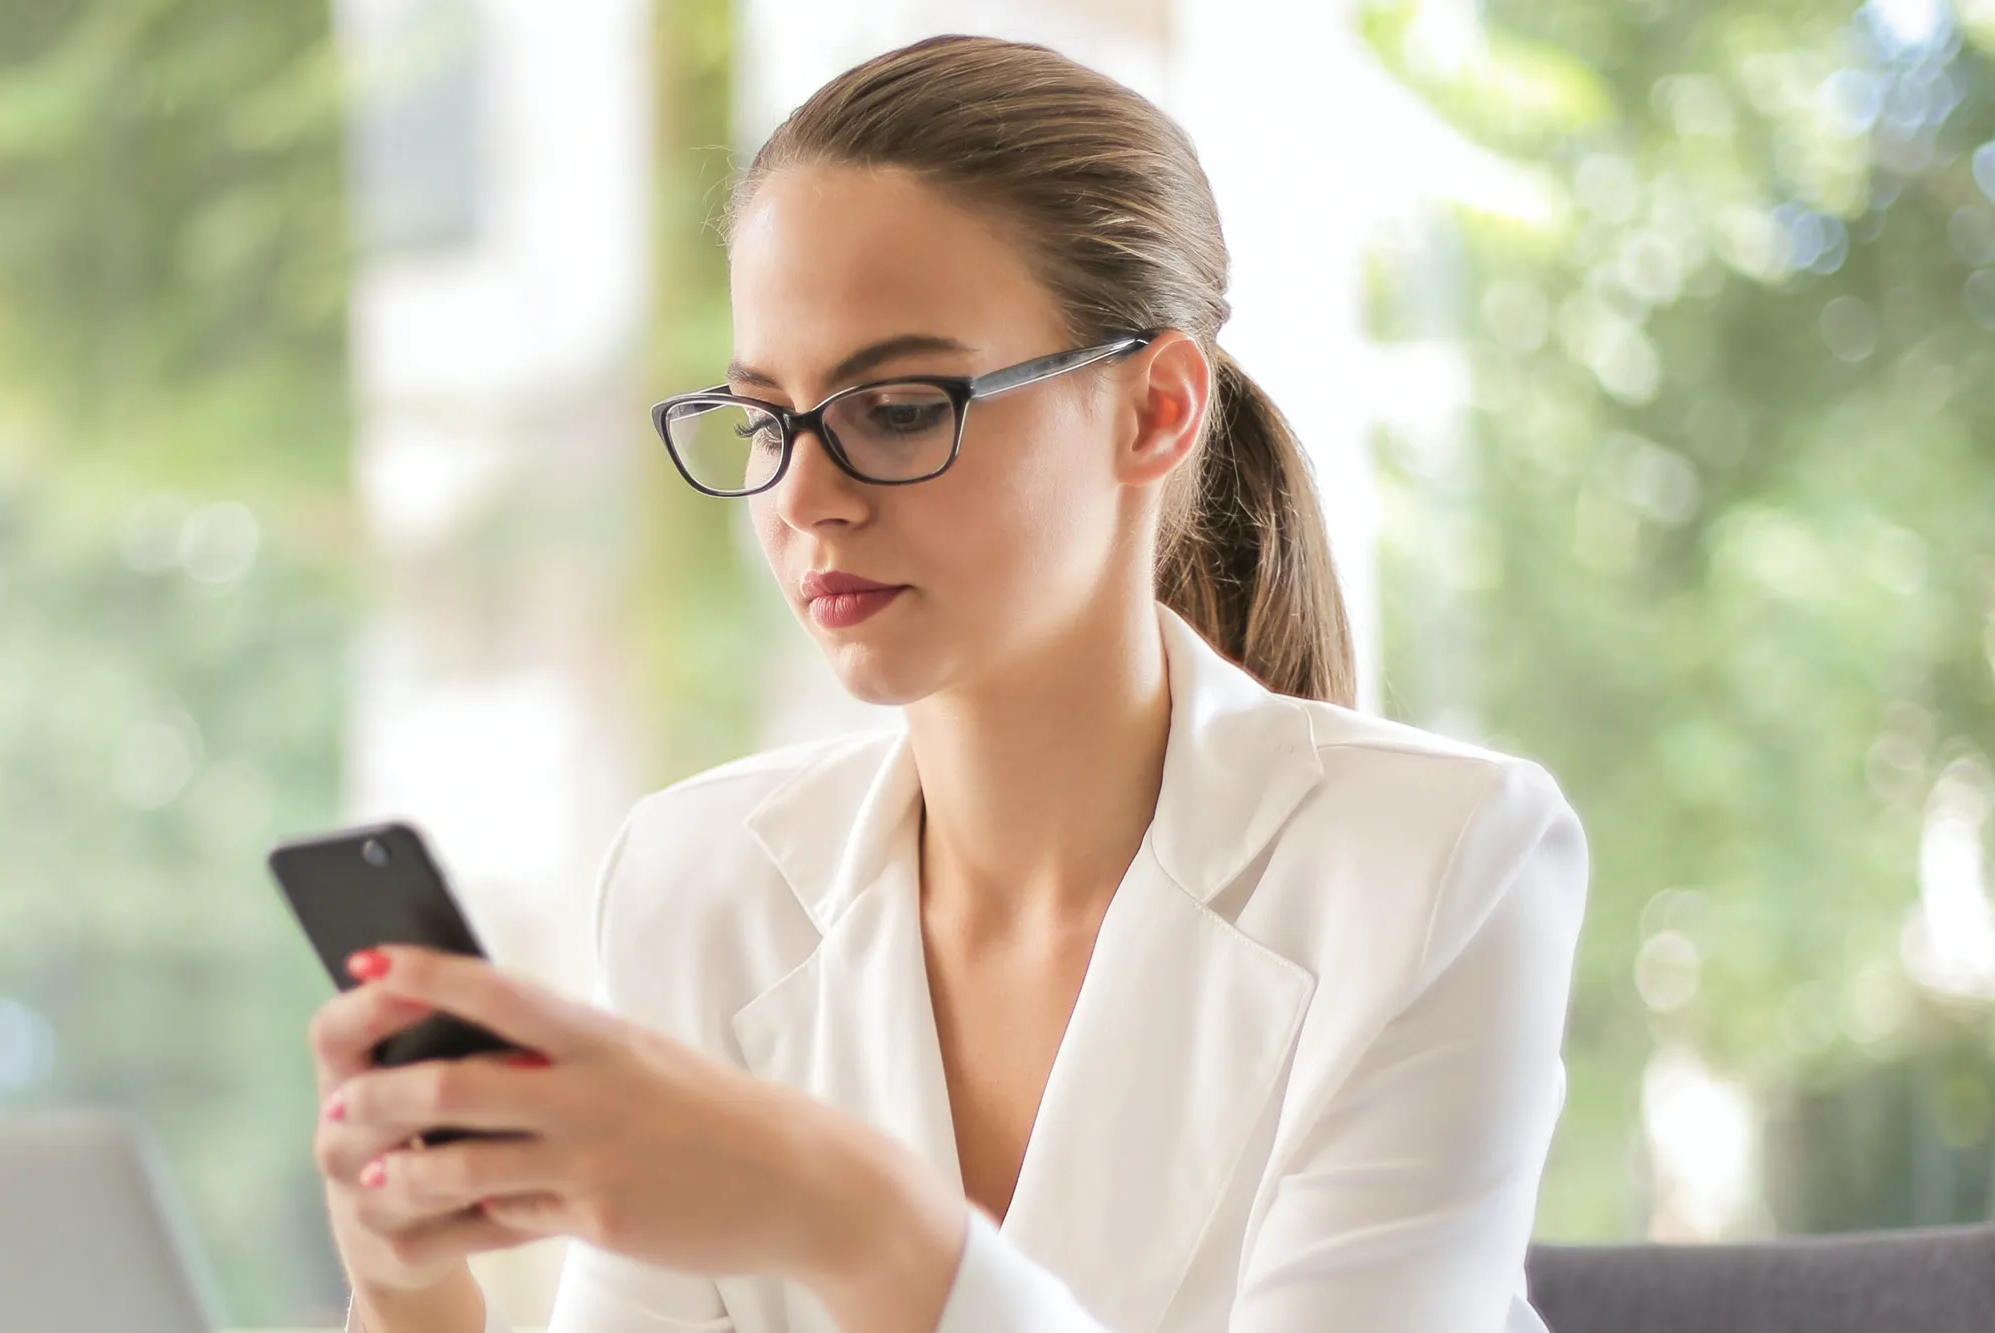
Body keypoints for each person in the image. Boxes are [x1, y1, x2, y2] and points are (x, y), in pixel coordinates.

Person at [306, 33, 1588, 1333]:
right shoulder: (700, 883)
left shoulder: (1442, 864)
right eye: (766, 417)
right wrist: (410, 1293)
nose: (804, 497)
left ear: (1155, 410)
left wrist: (863, 1226)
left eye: (901, 407)